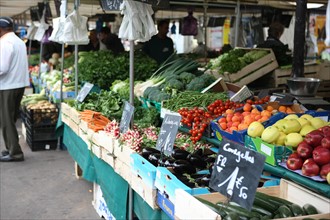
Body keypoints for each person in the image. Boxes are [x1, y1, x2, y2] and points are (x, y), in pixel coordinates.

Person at [0, 17, 29, 162]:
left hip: (7, 86)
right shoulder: (18, 41)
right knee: (10, 119)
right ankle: (10, 148)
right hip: (18, 84)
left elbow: (2, 68)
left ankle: (15, 153)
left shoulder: (5, 42)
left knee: (6, 120)